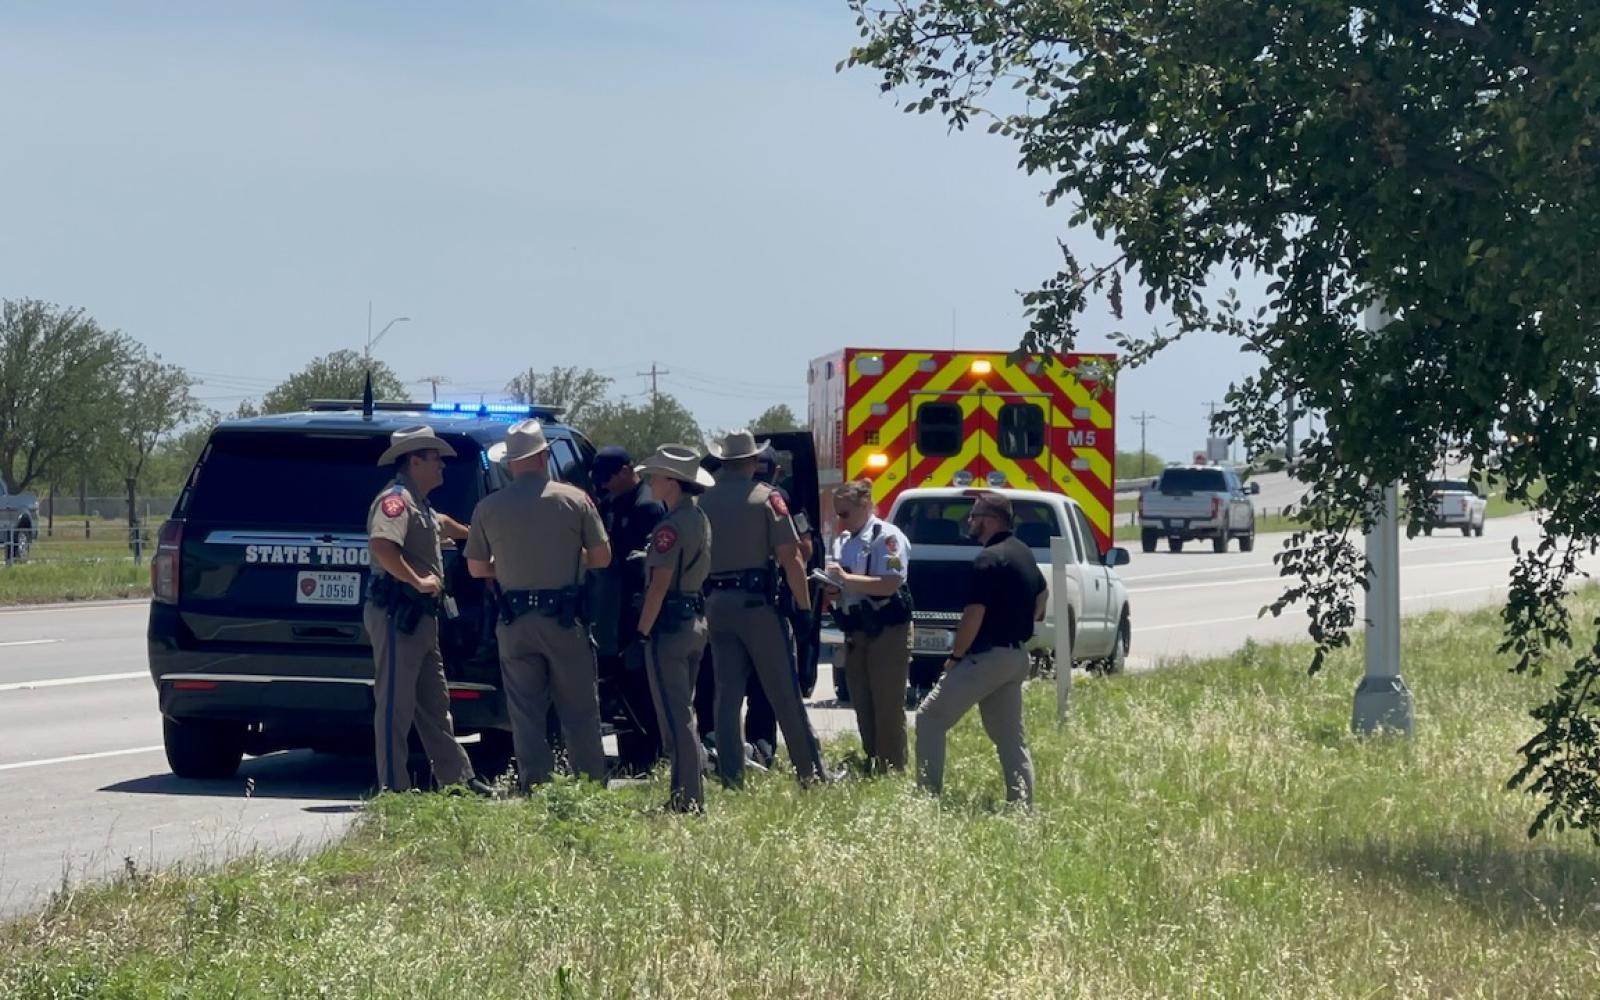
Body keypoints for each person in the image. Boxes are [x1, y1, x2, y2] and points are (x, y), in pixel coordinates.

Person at [465, 419, 612, 790]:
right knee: (578, 710)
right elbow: (603, 557)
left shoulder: (488, 507)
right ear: (544, 455)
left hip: (514, 621)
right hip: (564, 618)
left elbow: (477, 567)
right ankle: (590, 786)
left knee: (526, 712)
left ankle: (535, 786)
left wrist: (511, 565)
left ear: (509, 463)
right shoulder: (575, 500)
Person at [363, 425, 493, 796]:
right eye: (435, 459)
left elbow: (441, 524)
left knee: (434, 703)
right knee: (395, 705)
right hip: (397, 614)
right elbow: (382, 546)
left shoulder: (419, 503)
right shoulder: (395, 501)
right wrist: (418, 581)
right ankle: (393, 788)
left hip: (421, 618)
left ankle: (457, 780)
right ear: (414, 460)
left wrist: (476, 533)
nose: (443, 467)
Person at [699, 430, 829, 788]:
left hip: (717, 603)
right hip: (757, 604)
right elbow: (791, 557)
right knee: (783, 691)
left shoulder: (704, 501)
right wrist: (803, 608)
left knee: (726, 696)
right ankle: (811, 773)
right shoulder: (767, 499)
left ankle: (730, 776)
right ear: (754, 462)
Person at [914, 491, 1044, 806]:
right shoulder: (1023, 552)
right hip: (1015, 657)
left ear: (990, 519)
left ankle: (927, 798)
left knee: (929, 718)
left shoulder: (988, 558)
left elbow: (974, 614)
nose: (969, 522)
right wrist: (1024, 618)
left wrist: (956, 656)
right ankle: (1023, 807)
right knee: (1010, 738)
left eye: (973, 517)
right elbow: (1043, 595)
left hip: (987, 658)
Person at [632, 445, 715, 811]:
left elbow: (659, 584)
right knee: (684, 712)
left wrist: (641, 632)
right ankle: (688, 792)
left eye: (656, 475)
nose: (650, 481)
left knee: (676, 717)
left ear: (673, 482)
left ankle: (687, 800)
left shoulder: (670, 526)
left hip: (670, 627)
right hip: (694, 620)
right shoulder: (698, 518)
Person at [587, 446, 667, 775]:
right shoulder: (609, 504)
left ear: (625, 470)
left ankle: (651, 755)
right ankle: (632, 756)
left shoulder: (647, 506)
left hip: (637, 610)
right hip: (612, 612)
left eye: (608, 478)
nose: (604, 485)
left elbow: (650, 566)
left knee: (643, 687)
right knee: (622, 689)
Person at [825, 479, 913, 773]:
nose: (840, 521)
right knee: (862, 700)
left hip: (887, 628)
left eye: (845, 514)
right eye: (837, 514)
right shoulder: (843, 541)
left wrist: (847, 580)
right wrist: (833, 588)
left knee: (887, 703)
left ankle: (892, 767)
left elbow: (890, 583)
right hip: (856, 628)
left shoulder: (887, 537)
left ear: (865, 506)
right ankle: (872, 758)